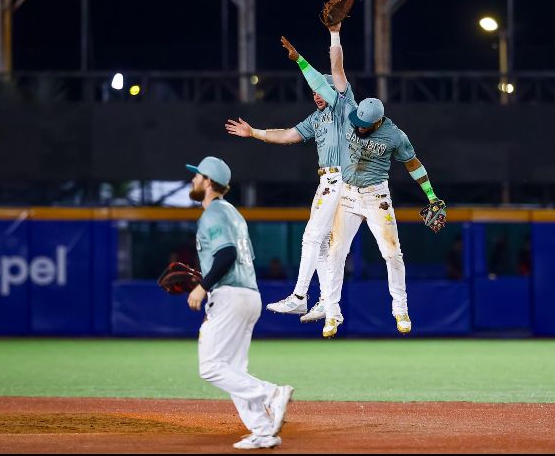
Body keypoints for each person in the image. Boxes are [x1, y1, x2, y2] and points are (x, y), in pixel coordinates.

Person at [280, 26, 446, 339]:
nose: (357, 128)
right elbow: (328, 75)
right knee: (335, 253)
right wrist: (300, 60)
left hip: (376, 196)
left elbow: (413, 164)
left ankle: (401, 309)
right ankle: (331, 312)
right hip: (346, 193)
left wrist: (431, 195)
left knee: (391, 253)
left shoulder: (395, 136)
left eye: (363, 126)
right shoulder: (350, 111)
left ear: (378, 122)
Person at [224, 22, 355, 324]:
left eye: (321, 89)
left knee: (311, 238)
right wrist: (254, 132)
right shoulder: (316, 118)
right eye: (314, 91)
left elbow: (337, 65)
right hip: (330, 181)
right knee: (321, 243)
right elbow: (286, 135)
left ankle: (299, 297)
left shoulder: (343, 105)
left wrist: (332, 35)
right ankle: (326, 303)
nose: (317, 94)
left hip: (341, 180)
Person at [184, 155, 293, 450]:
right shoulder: (233, 213)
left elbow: (227, 254)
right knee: (234, 370)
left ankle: (271, 393)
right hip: (249, 294)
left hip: (230, 296)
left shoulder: (214, 214)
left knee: (210, 367)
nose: (193, 180)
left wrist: (201, 286)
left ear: (208, 181)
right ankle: (262, 430)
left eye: (197, 176)